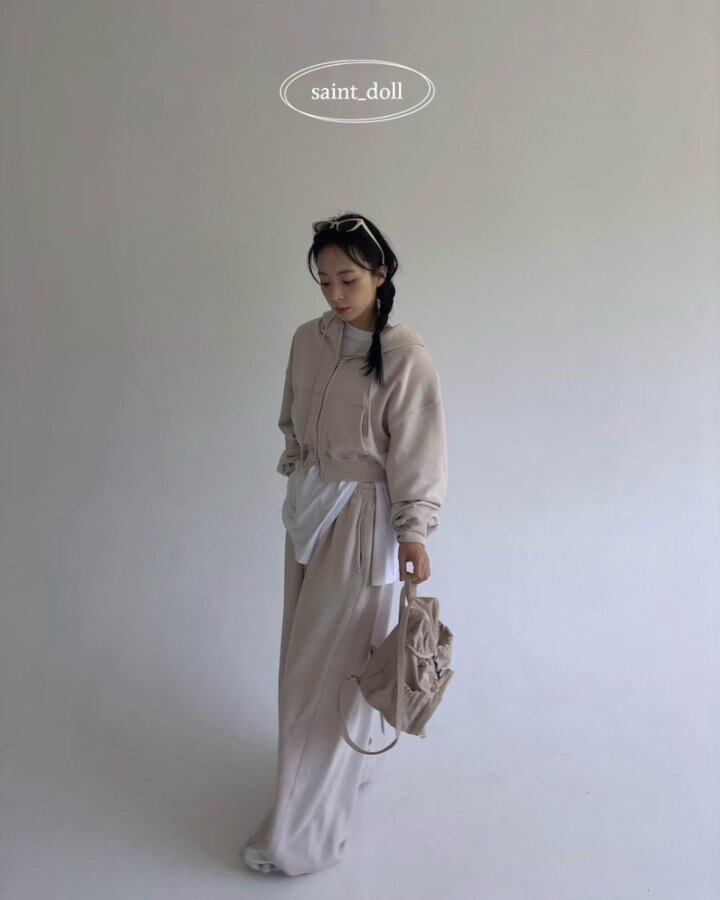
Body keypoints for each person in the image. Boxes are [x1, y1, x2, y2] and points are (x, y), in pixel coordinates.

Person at [242, 212, 448, 876]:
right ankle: (335, 780)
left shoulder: (406, 357)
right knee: (307, 663)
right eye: (325, 279)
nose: (335, 293)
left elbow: (419, 452)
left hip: (363, 521)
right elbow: (291, 416)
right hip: (308, 513)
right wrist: (300, 467)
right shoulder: (308, 339)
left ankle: (298, 841)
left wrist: (413, 531)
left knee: (323, 676)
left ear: (380, 275)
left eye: (349, 279)